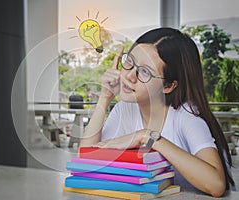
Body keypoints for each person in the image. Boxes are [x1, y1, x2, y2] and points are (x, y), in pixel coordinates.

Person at [79, 27, 235, 197]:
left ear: (168, 86)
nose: (130, 75)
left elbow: (216, 184)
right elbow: (86, 160)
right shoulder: (125, 108)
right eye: (130, 62)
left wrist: (147, 136)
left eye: (145, 71)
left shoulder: (186, 115)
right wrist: (104, 97)